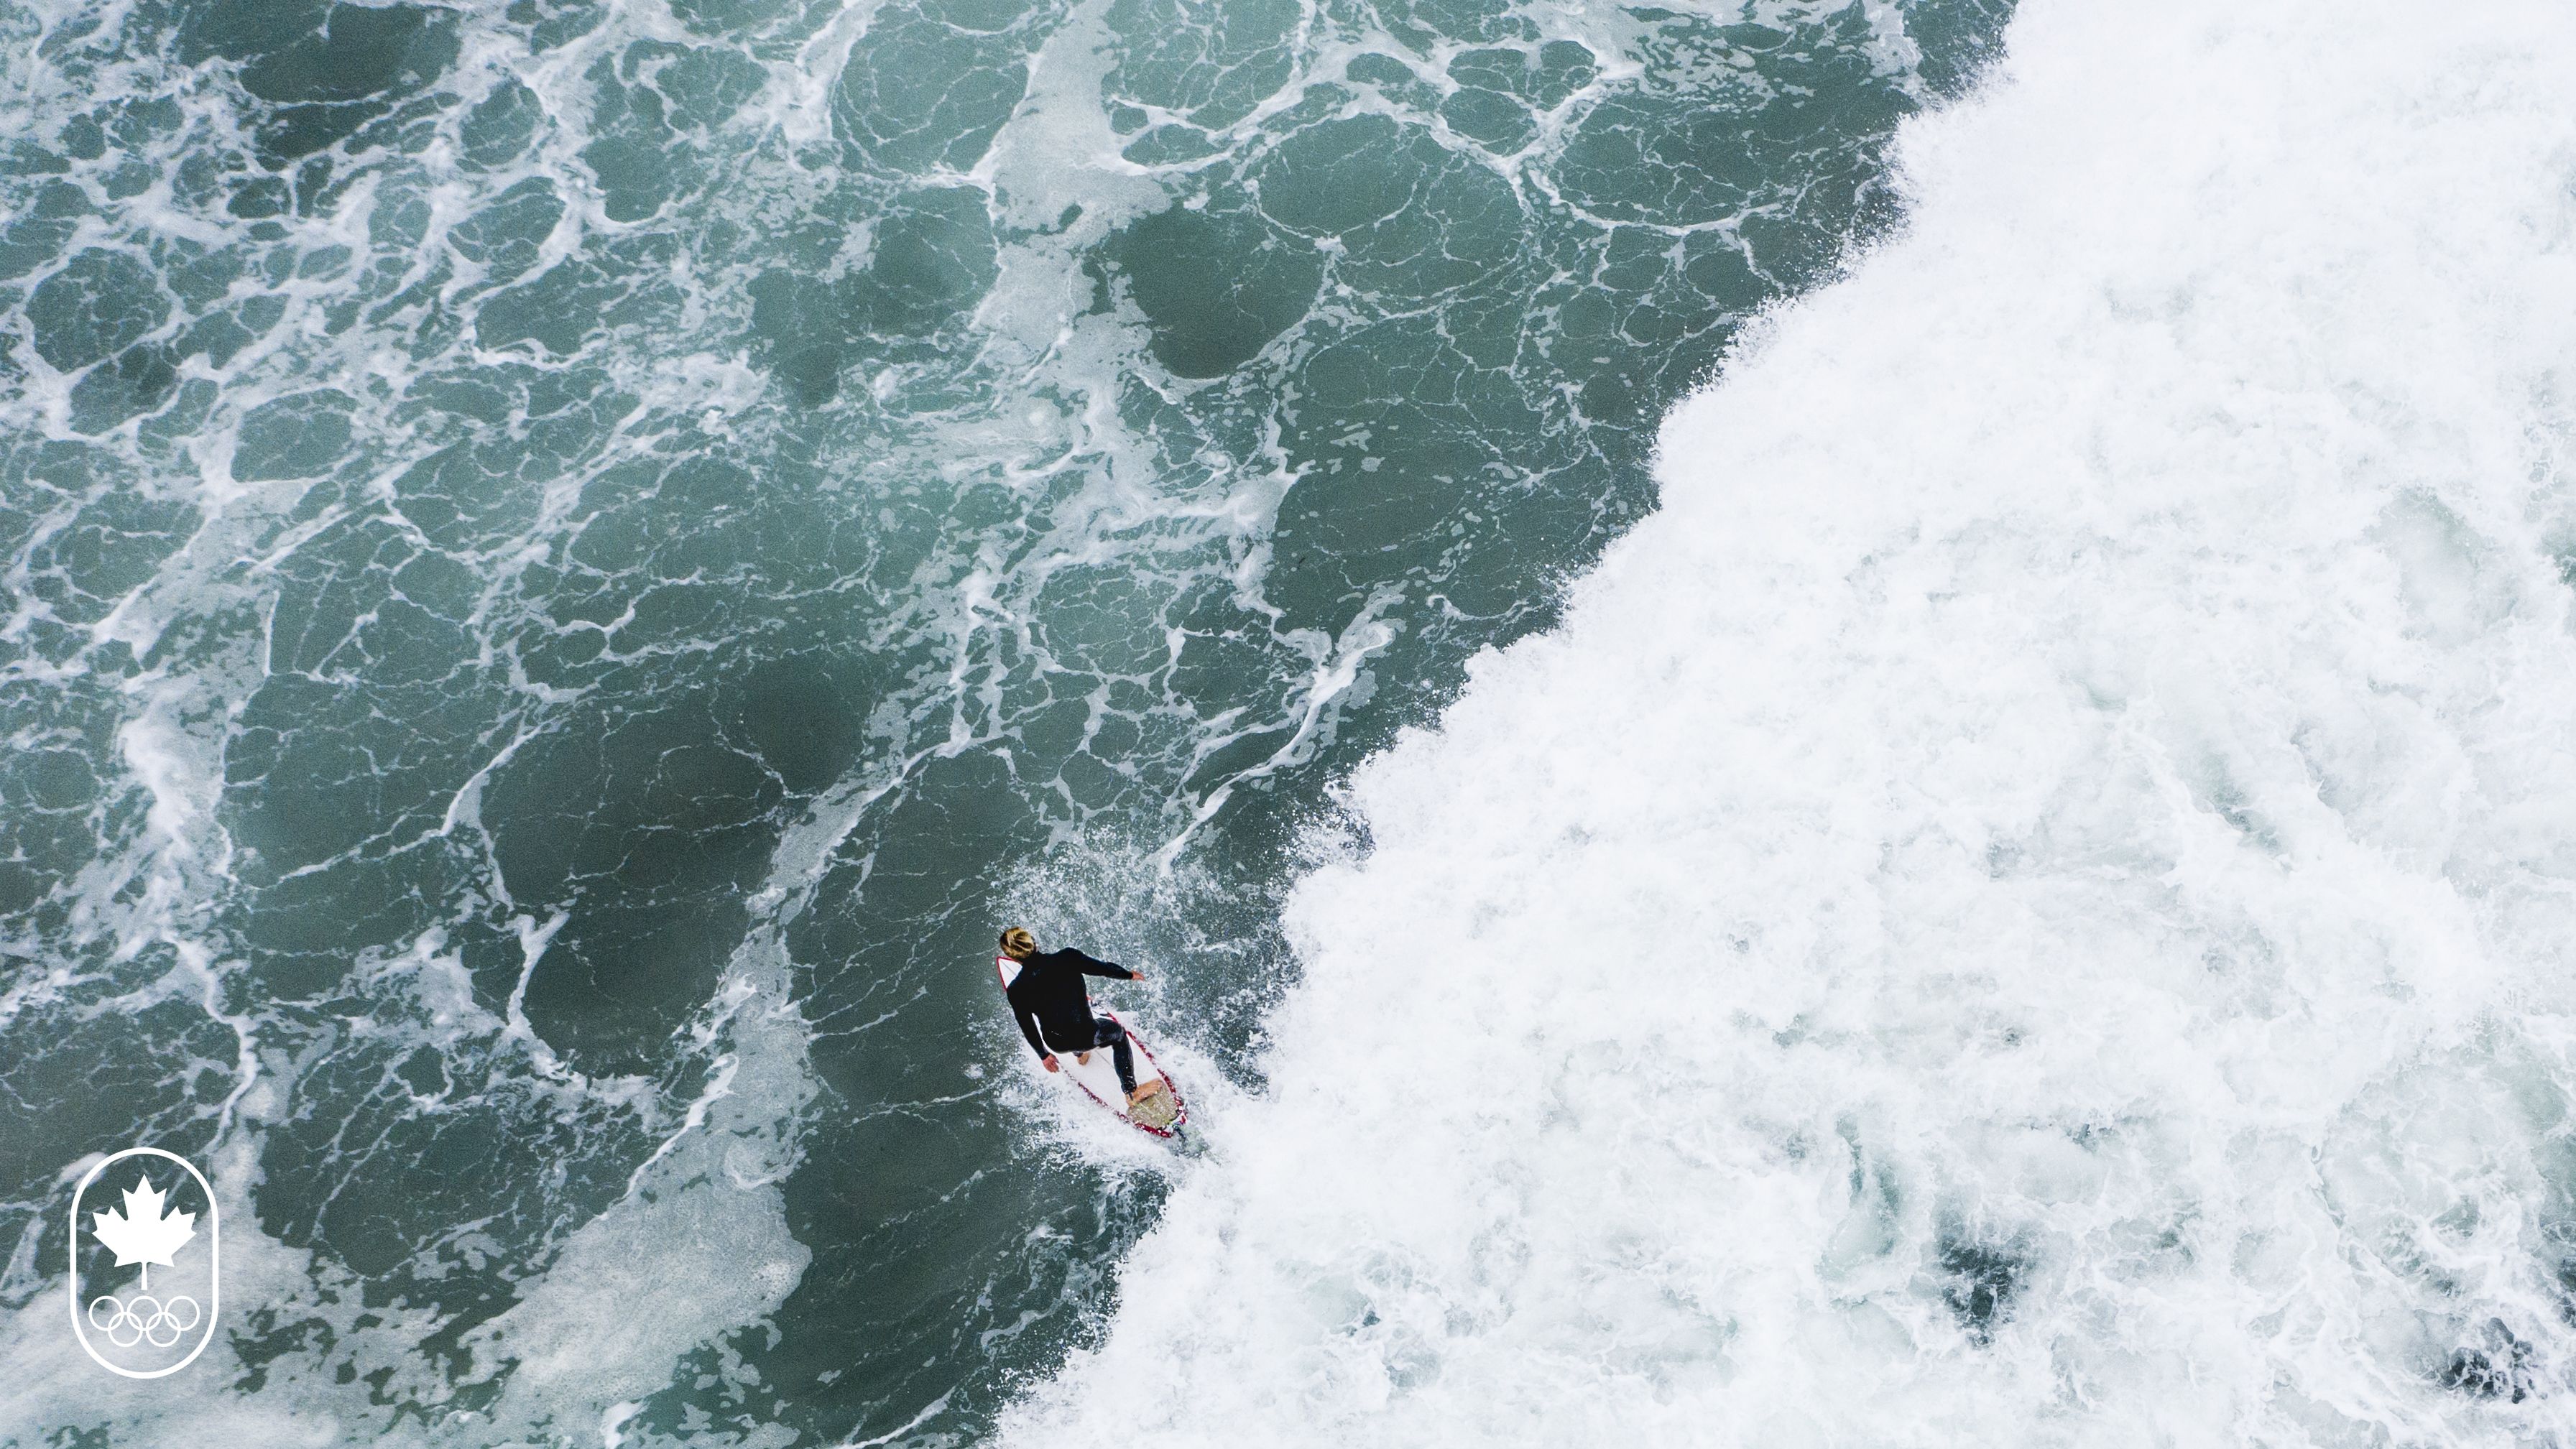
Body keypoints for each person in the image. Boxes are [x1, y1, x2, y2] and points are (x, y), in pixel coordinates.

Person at [996, 927, 1157, 1106]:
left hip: (1057, 1043)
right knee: (1118, 1035)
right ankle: (1132, 1092)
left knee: (1064, 1027)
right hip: (1090, 1034)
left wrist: (1044, 1056)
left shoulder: (1016, 990)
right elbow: (1102, 969)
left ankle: (1080, 1055)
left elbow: (1027, 1027)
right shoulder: (1067, 957)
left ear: (1013, 958)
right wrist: (1128, 975)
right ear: (1034, 943)